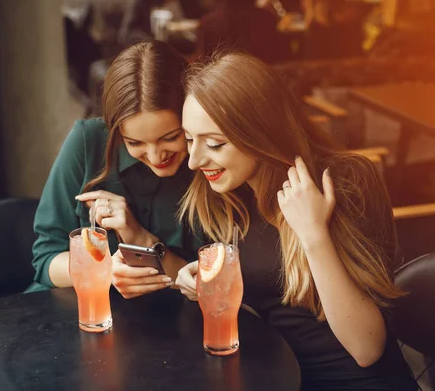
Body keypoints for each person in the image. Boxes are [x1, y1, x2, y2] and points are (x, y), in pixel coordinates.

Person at [175, 52, 418, 390]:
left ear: (259, 133)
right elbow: (270, 298)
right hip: (278, 377)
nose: (194, 160)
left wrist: (314, 234)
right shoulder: (226, 192)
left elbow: (367, 348)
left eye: (215, 143)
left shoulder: (346, 180)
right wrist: (205, 282)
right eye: (189, 139)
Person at [28, 40, 203, 299]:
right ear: (116, 132)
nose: (156, 157)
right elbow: (45, 260)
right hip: (69, 312)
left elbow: (205, 281)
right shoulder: (87, 142)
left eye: (170, 137)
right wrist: (106, 269)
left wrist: (141, 239)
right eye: (135, 143)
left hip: (170, 324)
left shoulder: (208, 162)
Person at [194, 0, 289, 63]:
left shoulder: (208, 22)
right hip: (261, 83)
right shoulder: (266, 19)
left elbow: (203, 66)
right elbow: (278, 60)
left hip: (222, 86)